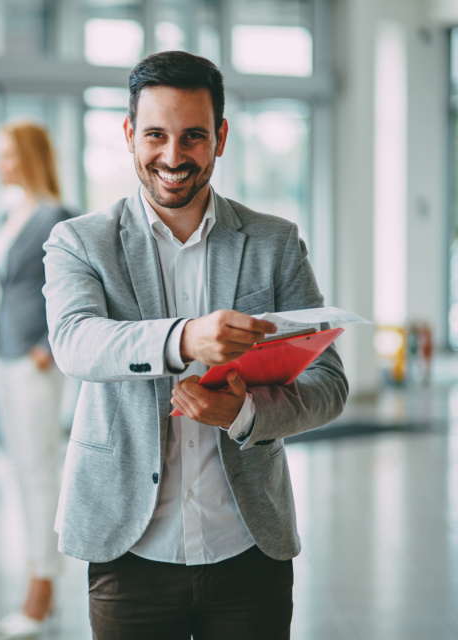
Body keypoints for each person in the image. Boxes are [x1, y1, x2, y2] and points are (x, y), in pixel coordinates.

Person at [41, 51, 348, 639]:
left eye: (193, 137)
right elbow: (76, 344)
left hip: (248, 548)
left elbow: (329, 385)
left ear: (221, 138)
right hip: (128, 549)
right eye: (155, 134)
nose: (173, 157)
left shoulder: (273, 242)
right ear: (130, 134)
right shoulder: (79, 242)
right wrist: (185, 338)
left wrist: (245, 413)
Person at [0, 120, 71, 638]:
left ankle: (41, 590)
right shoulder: (7, 211)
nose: (1, 164)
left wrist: (48, 345)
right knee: (20, 472)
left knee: (40, 474)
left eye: (9, 155)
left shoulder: (56, 217)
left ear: (31, 158)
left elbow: (77, 287)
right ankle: (39, 575)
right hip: (0, 353)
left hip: (33, 358)